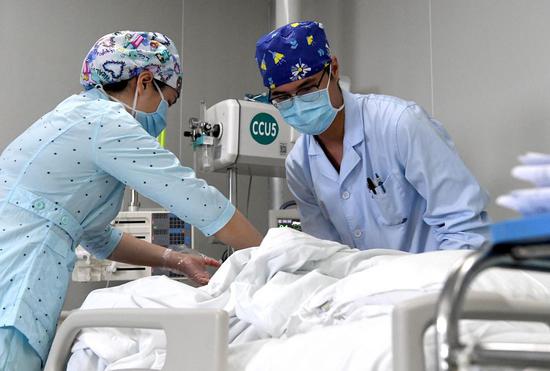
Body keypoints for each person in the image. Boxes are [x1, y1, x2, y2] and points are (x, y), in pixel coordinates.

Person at [0, 31, 262, 370]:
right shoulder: (107, 122)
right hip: (14, 290)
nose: (164, 115)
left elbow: (98, 237)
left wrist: (175, 260)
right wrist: (273, 254)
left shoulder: (76, 116)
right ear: (144, 82)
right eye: (168, 101)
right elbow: (195, 198)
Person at [254, 21, 490, 252]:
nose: (299, 104)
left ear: (334, 69)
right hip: (363, 288)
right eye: (283, 98)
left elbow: (464, 226)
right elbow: (325, 253)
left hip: (434, 281)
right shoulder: (299, 165)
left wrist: (442, 288)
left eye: (307, 89)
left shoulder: (399, 124)